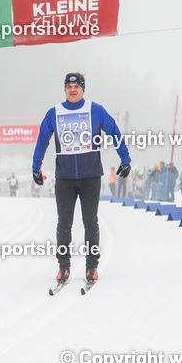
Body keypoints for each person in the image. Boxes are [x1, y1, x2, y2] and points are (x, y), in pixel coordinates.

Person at [32, 72, 131, 285]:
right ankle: (63, 268)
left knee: (90, 223)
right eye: (69, 87)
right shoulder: (54, 113)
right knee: (64, 224)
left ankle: (91, 267)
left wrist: (125, 159)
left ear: (83, 89)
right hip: (65, 178)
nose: (72, 90)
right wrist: (36, 167)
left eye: (76, 87)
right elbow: (42, 140)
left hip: (90, 177)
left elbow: (114, 132)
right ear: (65, 89)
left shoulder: (95, 109)